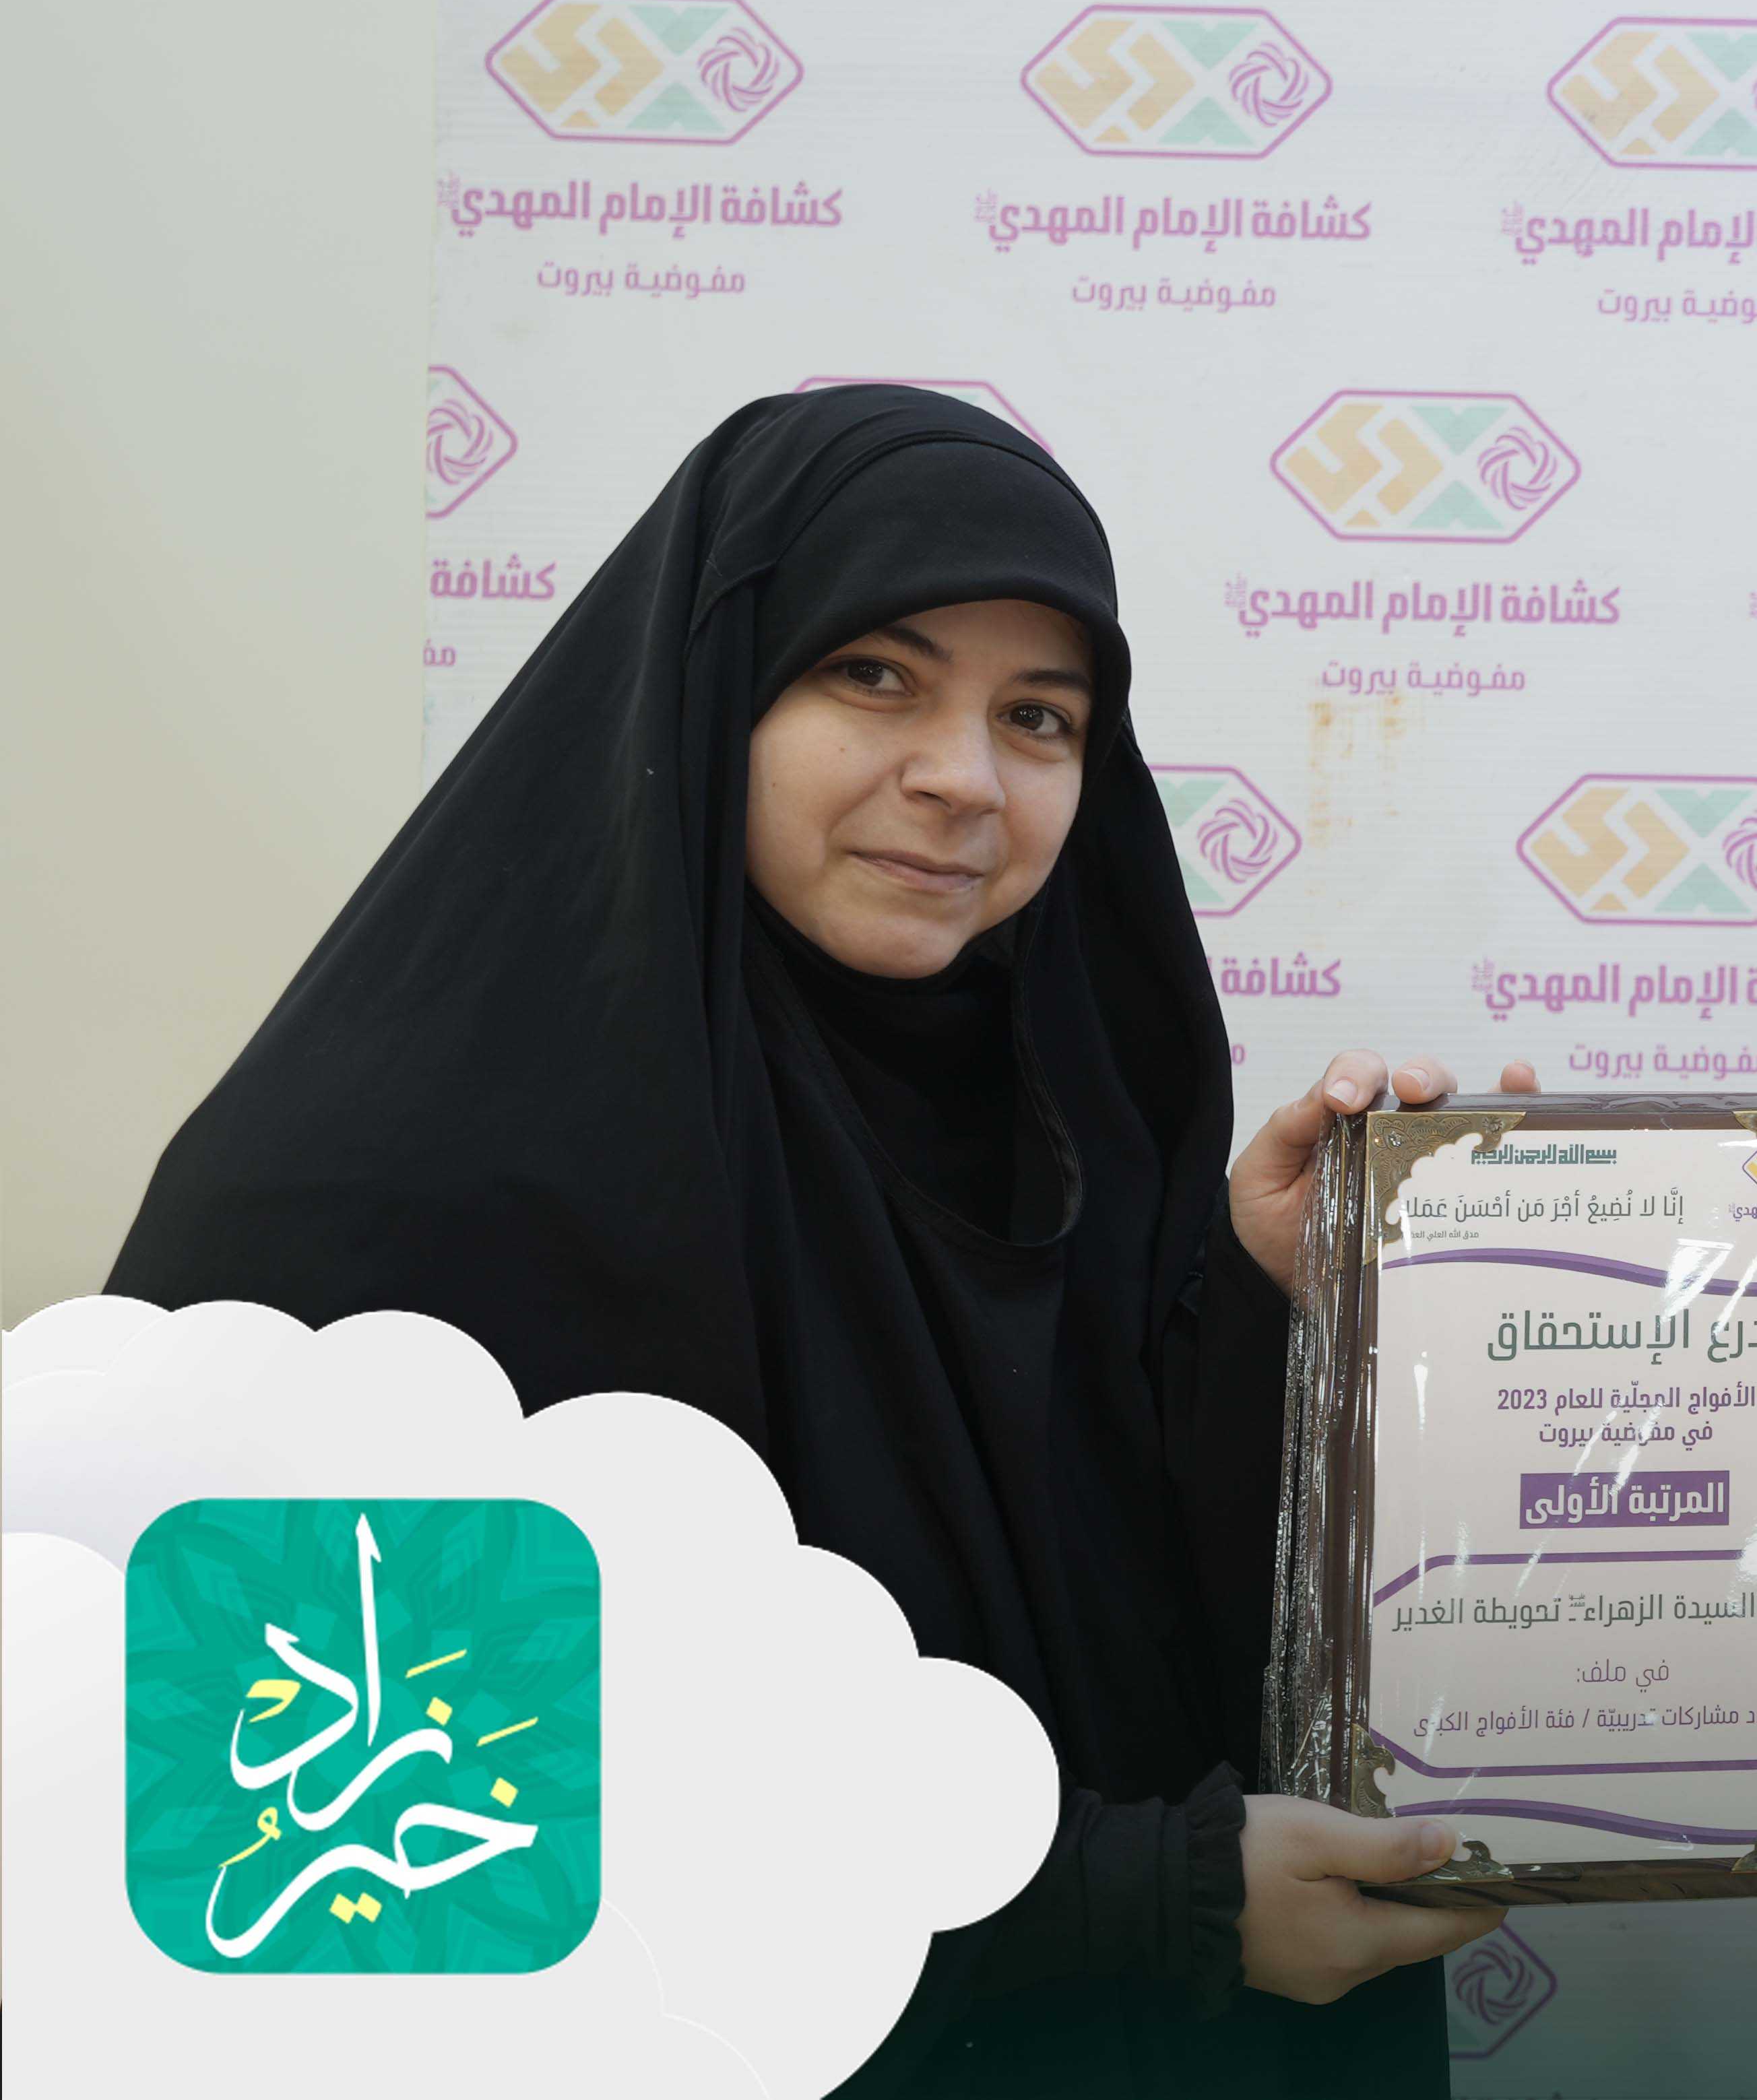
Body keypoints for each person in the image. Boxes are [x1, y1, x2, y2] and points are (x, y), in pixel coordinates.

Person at [110, 384, 1528, 2093]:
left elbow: (1108, 1613)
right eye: (873, 674)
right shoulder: (371, 1194)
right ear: (719, 685)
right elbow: (333, 1862)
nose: (963, 777)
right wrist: (1129, 1901)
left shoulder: (1065, 1118)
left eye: (1039, 715)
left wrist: (1252, 1302)